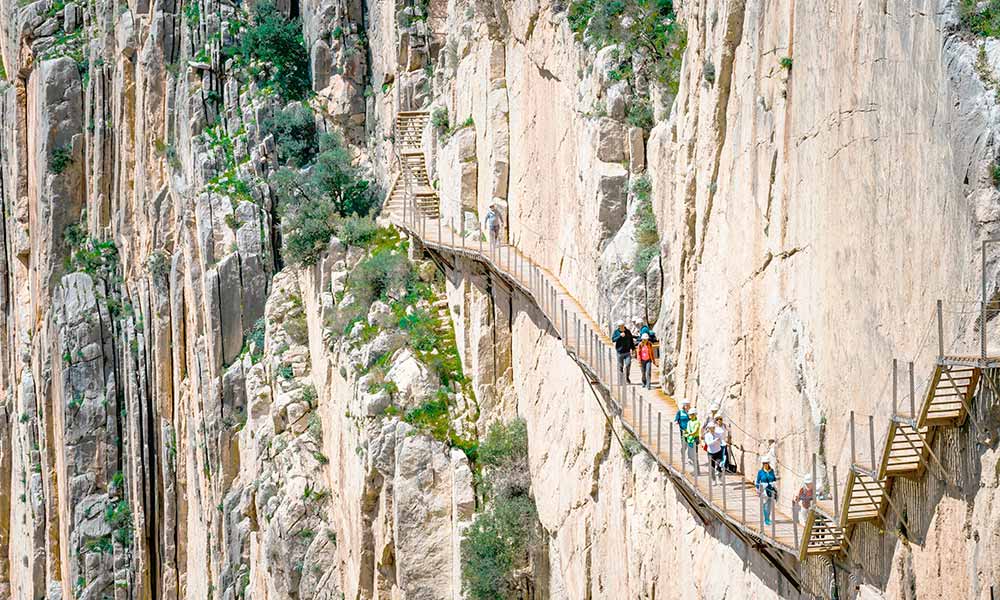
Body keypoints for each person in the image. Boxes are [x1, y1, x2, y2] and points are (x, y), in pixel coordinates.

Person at [756, 457, 778, 526]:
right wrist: (758, 489)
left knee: (770, 505)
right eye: (764, 463)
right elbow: (757, 482)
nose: (765, 464)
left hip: (771, 489)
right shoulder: (760, 472)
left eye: (767, 463)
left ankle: (768, 518)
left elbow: (774, 479)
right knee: (765, 504)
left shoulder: (771, 471)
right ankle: (766, 520)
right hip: (764, 490)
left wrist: (773, 483)